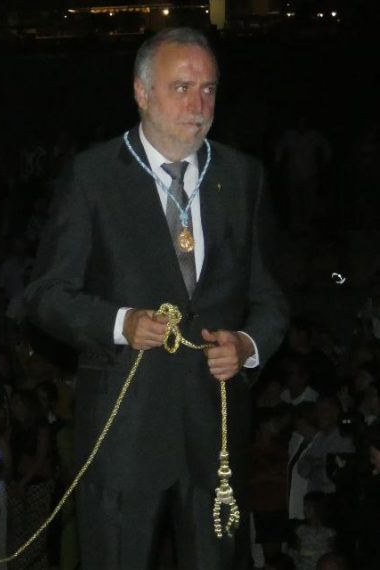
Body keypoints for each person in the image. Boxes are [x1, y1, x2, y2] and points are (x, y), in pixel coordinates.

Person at [24, 27, 289, 569]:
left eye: (209, 89)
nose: (199, 105)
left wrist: (246, 344)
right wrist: (119, 322)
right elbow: (46, 295)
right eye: (182, 87)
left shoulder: (242, 176)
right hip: (125, 434)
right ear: (142, 93)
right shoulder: (93, 175)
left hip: (214, 435)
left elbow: (271, 298)